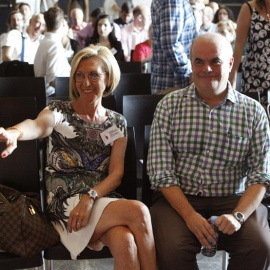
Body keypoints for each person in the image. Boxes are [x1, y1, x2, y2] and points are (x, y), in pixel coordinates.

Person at [0, 44, 157, 269]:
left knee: (126, 242)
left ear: (108, 79)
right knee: (140, 211)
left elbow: (116, 174)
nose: (85, 83)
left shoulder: (116, 122)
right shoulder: (59, 111)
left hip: (99, 200)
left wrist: (90, 197)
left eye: (93, 75)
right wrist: (15, 132)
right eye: (79, 76)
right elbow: (37, 126)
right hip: (65, 205)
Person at [148, 33, 270, 270]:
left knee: (260, 245)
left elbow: (260, 176)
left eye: (215, 61)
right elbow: (161, 173)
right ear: (191, 64)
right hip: (180, 198)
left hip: (235, 198)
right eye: (199, 61)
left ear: (231, 63)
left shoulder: (253, 112)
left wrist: (238, 216)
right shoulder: (169, 106)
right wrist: (190, 216)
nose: (207, 69)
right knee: (172, 249)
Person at [229, 0, 269, 108]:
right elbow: (238, 48)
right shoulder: (249, 8)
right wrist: (232, 77)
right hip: (254, 77)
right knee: (253, 117)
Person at [151, 0, 197, 94]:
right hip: (174, 84)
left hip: (170, 83)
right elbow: (171, 44)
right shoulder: (173, 1)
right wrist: (191, 71)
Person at [34, 7, 71, 97]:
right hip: (55, 97)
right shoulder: (54, 45)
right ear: (63, 23)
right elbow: (53, 81)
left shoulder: (44, 42)